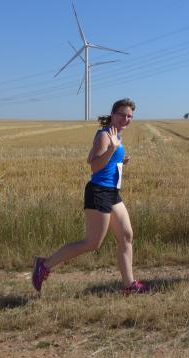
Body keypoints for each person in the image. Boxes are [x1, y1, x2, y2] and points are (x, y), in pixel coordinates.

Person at [32, 99, 148, 294]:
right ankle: (44, 264)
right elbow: (94, 166)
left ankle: (129, 286)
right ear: (113, 114)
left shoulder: (114, 134)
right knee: (92, 243)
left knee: (126, 236)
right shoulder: (105, 135)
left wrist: (120, 160)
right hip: (99, 192)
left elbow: (93, 157)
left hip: (112, 192)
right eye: (122, 114)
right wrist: (112, 149)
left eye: (129, 116)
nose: (126, 119)